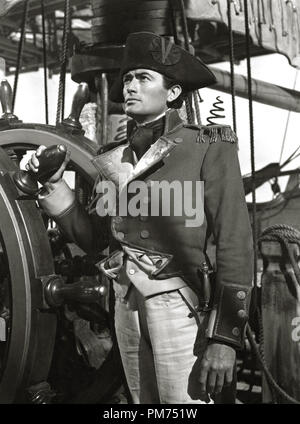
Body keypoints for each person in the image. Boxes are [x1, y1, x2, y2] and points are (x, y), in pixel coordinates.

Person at [26, 32, 253, 404]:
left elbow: (234, 242)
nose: (130, 85)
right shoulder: (111, 157)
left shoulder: (208, 147)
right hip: (125, 306)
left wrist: (225, 338)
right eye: (128, 78)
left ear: (173, 93)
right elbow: (95, 238)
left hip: (184, 310)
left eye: (143, 77)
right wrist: (53, 186)